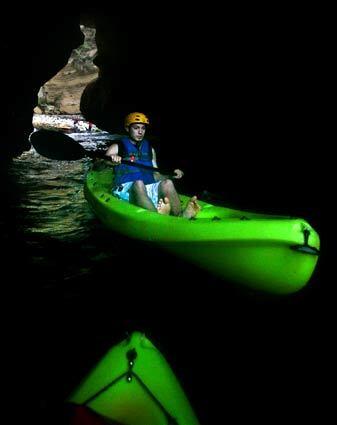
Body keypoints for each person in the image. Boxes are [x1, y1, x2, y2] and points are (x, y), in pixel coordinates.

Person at [105, 112, 200, 218]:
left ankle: (180, 215)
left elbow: (156, 175)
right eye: (136, 128)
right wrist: (110, 160)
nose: (140, 132)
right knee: (138, 183)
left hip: (148, 188)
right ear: (128, 129)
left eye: (143, 128)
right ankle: (158, 217)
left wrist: (171, 175)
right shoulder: (117, 147)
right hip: (125, 190)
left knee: (167, 183)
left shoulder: (150, 150)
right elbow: (98, 166)